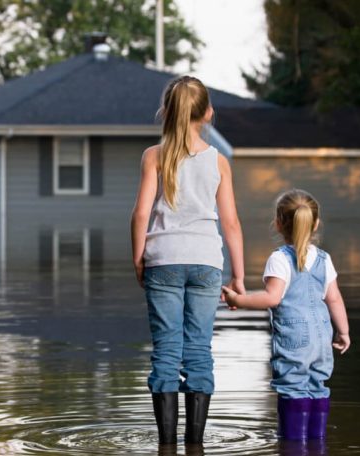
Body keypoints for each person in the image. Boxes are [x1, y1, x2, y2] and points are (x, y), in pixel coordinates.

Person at [130, 76, 245, 445]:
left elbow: (140, 214)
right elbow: (230, 222)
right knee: (198, 349)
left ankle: (166, 445)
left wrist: (138, 258)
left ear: (165, 112)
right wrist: (239, 277)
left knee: (166, 349)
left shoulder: (154, 156)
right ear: (208, 113)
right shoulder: (219, 161)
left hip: (162, 258)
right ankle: (195, 445)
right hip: (206, 261)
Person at [221, 189, 350, 441]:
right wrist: (343, 331)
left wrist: (239, 299)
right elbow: (334, 297)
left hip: (295, 338)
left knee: (293, 388)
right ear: (316, 224)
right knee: (317, 386)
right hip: (322, 338)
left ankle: (292, 445)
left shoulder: (279, 259)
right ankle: (316, 443)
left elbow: (272, 298)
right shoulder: (324, 259)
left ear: (279, 223)